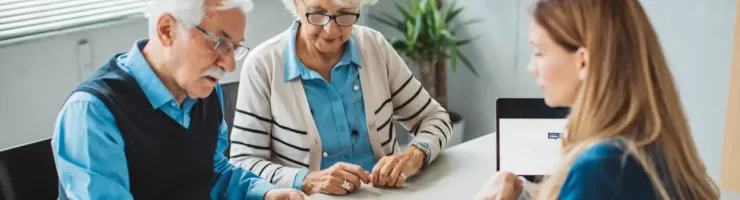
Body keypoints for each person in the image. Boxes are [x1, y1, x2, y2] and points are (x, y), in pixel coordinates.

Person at [51, 0, 309, 199]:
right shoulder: (92, 113)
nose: (230, 64)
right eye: (219, 43)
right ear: (167, 30)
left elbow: (213, 170)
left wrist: (265, 193)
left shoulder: (205, 90)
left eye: (235, 48)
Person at [475, 0, 720, 199]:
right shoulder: (652, 144)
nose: (531, 67)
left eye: (539, 52)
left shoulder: (598, 170)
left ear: (583, 60)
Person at [228, 0, 453, 196]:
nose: (330, 30)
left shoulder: (375, 46)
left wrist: (415, 155)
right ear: (297, 4)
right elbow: (243, 163)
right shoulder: (263, 65)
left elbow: (434, 117)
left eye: (345, 13)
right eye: (317, 13)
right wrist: (307, 180)